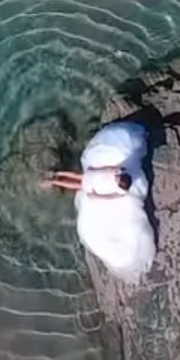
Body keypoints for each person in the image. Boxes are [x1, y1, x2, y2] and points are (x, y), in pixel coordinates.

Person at [40, 121, 156, 284]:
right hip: (94, 184)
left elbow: (111, 183)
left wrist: (95, 193)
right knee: (76, 182)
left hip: (93, 181)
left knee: (75, 179)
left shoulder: (117, 173)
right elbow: (111, 195)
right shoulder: (119, 183)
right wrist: (95, 196)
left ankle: (55, 178)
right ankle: (55, 180)